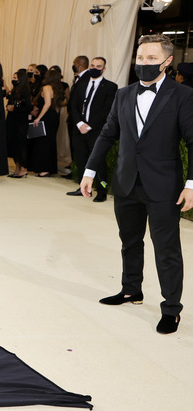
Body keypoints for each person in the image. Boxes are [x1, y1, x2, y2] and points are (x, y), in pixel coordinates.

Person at [81, 34, 193, 334]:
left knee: (166, 249)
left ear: (167, 62)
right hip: (126, 182)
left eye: (151, 59)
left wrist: (191, 184)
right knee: (129, 241)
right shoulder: (124, 94)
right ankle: (131, 290)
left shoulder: (182, 95)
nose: (143, 64)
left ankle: (171, 308)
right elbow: (107, 135)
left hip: (164, 187)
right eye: (140, 58)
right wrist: (90, 171)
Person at [66, 57, 117, 201]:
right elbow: (73, 106)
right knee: (81, 160)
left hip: (96, 131)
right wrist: (79, 124)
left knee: (99, 162)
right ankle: (83, 187)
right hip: (79, 129)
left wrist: (90, 125)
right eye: (93, 65)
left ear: (104, 69)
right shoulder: (80, 84)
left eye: (98, 66)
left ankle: (102, 190)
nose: (95, 68)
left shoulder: (110, 87)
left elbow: (107, 109)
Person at [28, 68, 66, 177]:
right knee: (50, 142)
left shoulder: (46, 87)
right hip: (54, 116)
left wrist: (38, 118)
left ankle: (44, 169)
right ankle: (48, 168)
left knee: (43, 143)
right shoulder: (58, 88)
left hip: (46, 116)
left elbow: (47, 104)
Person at [6, 69, 32, 178]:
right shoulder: (15, 89)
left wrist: (15, 109)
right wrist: (8, 107)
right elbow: (9, 103)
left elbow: (28, 107)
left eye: (15, 78)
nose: (13, 80)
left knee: (21, 145)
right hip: (12, 120)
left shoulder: (25, 91)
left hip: (20, 121)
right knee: (14, 145)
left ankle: (23, 168)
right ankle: (17, 168)